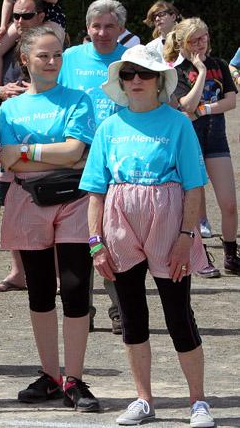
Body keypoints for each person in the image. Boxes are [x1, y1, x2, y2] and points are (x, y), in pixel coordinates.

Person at [80, 45, 214, 427]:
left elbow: (193, 186)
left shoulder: (178, 123)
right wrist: (95, 243)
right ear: (120, 82)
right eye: (128, 74)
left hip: (169, 220)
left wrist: (186, 236)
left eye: (145, 74)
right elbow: (96, 192)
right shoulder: (108, 127)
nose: (136, 80)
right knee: (131, 314)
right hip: (119, 222)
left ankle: (198, 401)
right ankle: (143, 399)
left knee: (178, 313)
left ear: (159, 81)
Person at [0, 26, 99, 413]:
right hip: (27, 200)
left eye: (57, 55)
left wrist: (27, 150)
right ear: (25, 58)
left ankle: (73, 378)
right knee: (39, 291)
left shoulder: (79, 98)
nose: (52, 62)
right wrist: (48, 154)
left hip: (74, 199)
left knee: (75, 288)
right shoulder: (10, 107)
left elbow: (76, 151)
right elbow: (6, 157)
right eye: (43, 55)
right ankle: (49, 374)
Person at [58, 0, 128, 334]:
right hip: (76, 154)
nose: (102, 32)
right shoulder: (70, 57)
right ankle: (81, 310)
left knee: (112, 236)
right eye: (96, 26)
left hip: (117, 155)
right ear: (87, 28)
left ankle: (121, 310)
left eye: (109, 26)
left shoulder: (130, 60)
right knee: (77, 238)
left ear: (120, 29)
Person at [0, 0, 47, 292]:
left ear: (42, 17)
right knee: (8, 201)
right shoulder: (3, 51)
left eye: (28, 15)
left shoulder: (52, 45)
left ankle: (54, 273)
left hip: (42, 131)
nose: (20, 21)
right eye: (16, 15)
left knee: (48, 199)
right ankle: (18, 271)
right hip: (8, 130)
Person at [165, 17, 240, 277]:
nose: (200, 44)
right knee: (192, 204)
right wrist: (201, 73)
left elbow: (230, 101)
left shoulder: (220, 64)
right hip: (189, 143)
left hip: (216, 140)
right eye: (194, 39)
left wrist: (204, 109)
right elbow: (184, 104)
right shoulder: (174, 71)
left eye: (204, 37)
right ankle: (199, 256)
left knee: (229, 204)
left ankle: (231, 254)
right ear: (182, 43)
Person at [143, 0, 181, 65]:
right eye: (154, 17)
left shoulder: (186, 41)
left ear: (173, 17)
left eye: (161, 14)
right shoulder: (150, 47)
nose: (157, 19)